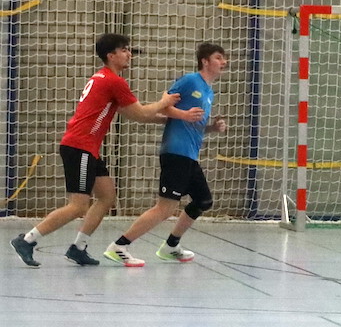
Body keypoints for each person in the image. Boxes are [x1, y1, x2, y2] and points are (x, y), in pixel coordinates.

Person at [9, 33, 195, 267]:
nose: (129, 54)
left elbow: (135, 114)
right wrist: (166, 101)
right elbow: (142, 111)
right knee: (78, 205)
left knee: (106, 196)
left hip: (87, 147)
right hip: (80, 146)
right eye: (124, 50)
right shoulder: (113, 81)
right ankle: (27, 240)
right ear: (111, 55)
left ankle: (78, 248)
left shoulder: (103, 79)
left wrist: (174, 119)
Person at [103, 43, 228, 267]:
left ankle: (171, 245)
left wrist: (212, 128)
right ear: (205, 61)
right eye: (218, 57)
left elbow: (193, 124)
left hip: (190, 155)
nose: (224, 62)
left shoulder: (209, 91)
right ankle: (119, 245)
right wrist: (183, 114)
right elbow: (164, 105)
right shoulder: (191, 81)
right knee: (165, 208)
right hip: (176, 152)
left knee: (203, 200)